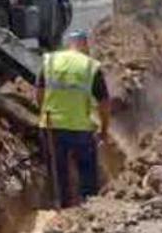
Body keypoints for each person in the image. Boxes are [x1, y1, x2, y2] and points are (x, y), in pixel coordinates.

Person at [36, 30, 111, 208]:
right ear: (85, 45)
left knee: (58, 173)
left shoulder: (50, 61)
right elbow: (104, 103)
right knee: (87, 171)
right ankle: (88, 206)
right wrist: (104, 128)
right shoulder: (90, 65)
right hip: (81, 128)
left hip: (51, 126)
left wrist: (46, 114)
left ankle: (62, 208)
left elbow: (39, 94)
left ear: (68, 44)